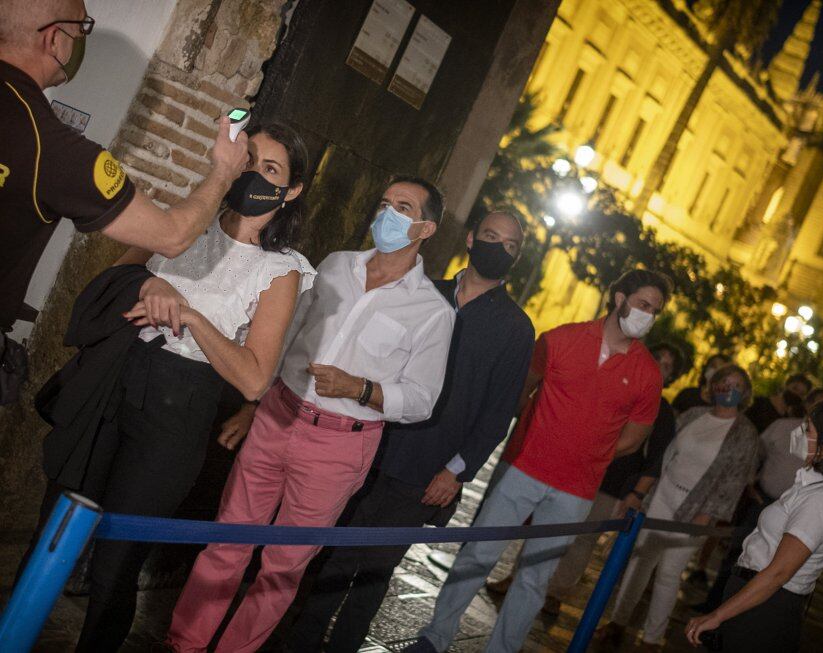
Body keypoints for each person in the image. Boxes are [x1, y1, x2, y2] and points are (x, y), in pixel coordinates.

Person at [20, 122, 312, 652]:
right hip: (115, 380)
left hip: (177, 412)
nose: (253, 176)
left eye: (270, 170)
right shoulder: (189, 221)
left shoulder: (280, 270)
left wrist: (194, 319)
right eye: (248, 162)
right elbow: (113, 281)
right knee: (53, 531)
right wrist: (147, 282)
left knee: (116, 564)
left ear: (291, 191)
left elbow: (253, 377)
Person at [165, 176, 455, 653]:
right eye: (385, 203)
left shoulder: (432, 312)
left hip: (339, 444)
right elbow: (284, 335)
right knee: (227, 542)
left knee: (283, 566)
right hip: (279, 413)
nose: (388, 215)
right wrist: (251, 404)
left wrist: (360, 388)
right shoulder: (336, 265)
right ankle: (184, 643)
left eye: (403, 208)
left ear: (425, 228)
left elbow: (422, 398)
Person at [286, 211, 535, 653]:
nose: (500, 247)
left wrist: (455, 472)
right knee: (335, 554)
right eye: (492, 236)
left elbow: (498, 414)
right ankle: (299, 641)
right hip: (375, 445)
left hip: (427, 467)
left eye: (511, 245)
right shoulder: (423, 293)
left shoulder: (516, 329)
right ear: (472, 238)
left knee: (376, 572)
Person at [406, 268, 670, 653]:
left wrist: (588, 452)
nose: (648, 315)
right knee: (478, 555)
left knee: (535, 578)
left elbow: (633, 439)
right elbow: (520, 395)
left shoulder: (647, 374)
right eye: (644, 304)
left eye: (656, 311)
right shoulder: (561, 338)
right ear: (619, 299)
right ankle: (435, 636)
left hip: (576, 490)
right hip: (522, 469)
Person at [0, 0, 248, 335]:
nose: (78, 43)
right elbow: (172, 236)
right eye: (80, 30)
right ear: (54, 39)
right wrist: (223, 172)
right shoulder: (50, 147)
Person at [596, 364, 759, 652]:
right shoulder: (694, 415)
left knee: (669, 574)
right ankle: (617, 623)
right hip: (661, 498)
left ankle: (651, 639)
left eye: (736, 385)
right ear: (713, 386)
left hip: (695, 512)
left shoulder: (744, 434)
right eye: (723, 383)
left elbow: (734, 481)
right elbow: (665, 454)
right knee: (637, 563)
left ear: (745, 393)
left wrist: (706, 516)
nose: (728, 390)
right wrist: (642, 493)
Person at [686, 401, 823, 652]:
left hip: (764, 608)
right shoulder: (817, 486)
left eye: (808, 430)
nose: (798, 433)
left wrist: (717, 615)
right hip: (755, 599)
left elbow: (778, 573)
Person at [540, 342, 682, 616]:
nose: (659, 367)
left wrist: (636, 494)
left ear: (671, 376)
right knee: (548, 526)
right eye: (656, 359)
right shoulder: (618, 385)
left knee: (583, 540)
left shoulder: (661, 411)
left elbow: (656, 459)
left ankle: (556, 592)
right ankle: (520, 579)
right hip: (575, 470)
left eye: (667, 366)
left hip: (612, 484)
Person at [696, 387, 823, 613]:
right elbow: (753, 452)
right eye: (819, 405)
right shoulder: (782, 427)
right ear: (808, 404)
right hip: (762, 502)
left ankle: (743, 613)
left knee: (772, 566)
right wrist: (750, 482)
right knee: (738, 555)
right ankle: (714, 606)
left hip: (797, 515)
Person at [744, 373, 812, 433]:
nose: (796, 394)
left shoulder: (789, 420)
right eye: (795, 388)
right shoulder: (757, 403)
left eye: (802, 394)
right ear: (786, 385)